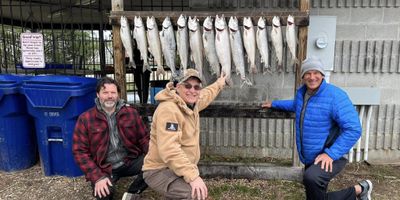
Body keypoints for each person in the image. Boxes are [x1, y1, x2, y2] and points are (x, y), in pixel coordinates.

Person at [262, 56, 373, 200]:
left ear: (322, 75)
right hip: (312, 156)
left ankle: (360, 189)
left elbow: (354, 129)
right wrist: (274, 104)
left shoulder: (335, 96)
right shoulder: (303, 94)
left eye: (316, 73)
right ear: (302, 76)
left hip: (331, 155)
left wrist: (331, 154)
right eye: (308, 73)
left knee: (311, 178)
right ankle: (362, 190)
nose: (312, 77)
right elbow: (296, 105)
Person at [142, 69, 227, 200]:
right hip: (159, 169)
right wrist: (193, 177)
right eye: (187, 86)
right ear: (177, 86)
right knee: (195, 195)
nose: (192, 90)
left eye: (196, 87)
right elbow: (170, 149)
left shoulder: (191, 104)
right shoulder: (169, 110)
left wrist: (220, 83)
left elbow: (206, 94)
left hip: (176, 168)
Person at [72, 77, 149, 200]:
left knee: (156, 165)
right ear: (98, 94)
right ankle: (105, 183)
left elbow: (144, 138)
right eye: (105, 92)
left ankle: (132, 193)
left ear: (118, 95)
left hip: (129, 161)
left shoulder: (131, 113)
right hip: (104, 168)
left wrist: (155, 156)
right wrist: (97, 177)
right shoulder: (86, 119)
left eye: (113, 92)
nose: (110, 96)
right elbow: (80, 151)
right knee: (104, 195)